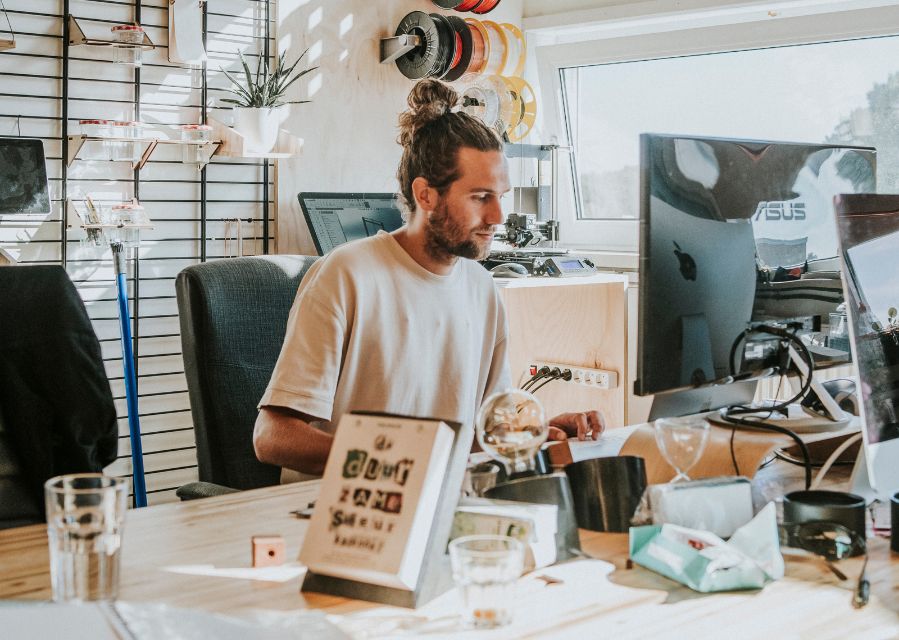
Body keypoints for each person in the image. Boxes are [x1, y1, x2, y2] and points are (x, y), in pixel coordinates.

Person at [254, 79, 604, 477]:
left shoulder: (481, 288)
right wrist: (396, 463)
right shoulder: (345, 275)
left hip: (433, 504)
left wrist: (541, 432)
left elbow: (480, 435)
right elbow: (272, 437)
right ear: (426, 196)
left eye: (500, 196)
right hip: (340, 515)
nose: (497, 217)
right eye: (479, 197)